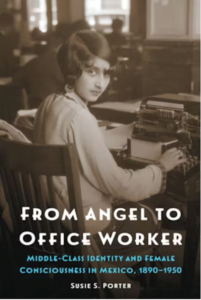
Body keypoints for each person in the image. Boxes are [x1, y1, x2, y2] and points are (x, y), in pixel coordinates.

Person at [33, 30, 186, 240]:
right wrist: (161, 167)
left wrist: (136, 127)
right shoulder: (79, 117)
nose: (101, 83)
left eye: (106, 73)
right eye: (92, 71)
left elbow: (83, 141)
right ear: (72, 69)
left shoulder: (51, 102)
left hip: (53, 220)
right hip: (86, 226)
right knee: (156, 211)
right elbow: (120, 184)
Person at [13, 32, 64, 102]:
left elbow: (16, 78)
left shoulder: (33, 62)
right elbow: (67, 83)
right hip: (55, 105)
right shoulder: (58, 63)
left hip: (34, 106)